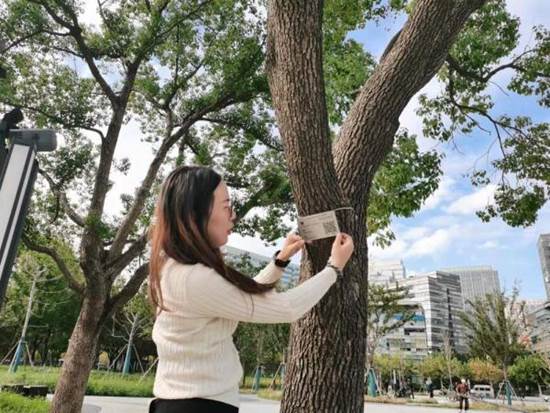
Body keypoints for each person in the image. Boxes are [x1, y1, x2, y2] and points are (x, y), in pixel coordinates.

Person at [147, 166, 355, 413]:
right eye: (226, 206)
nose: (232, 215)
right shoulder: (192, 278)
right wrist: (334, 268)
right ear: (197, 213)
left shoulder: (176, 268)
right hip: (197, 406)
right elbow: (285, 308)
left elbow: (240, 298)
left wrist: (280, 261)